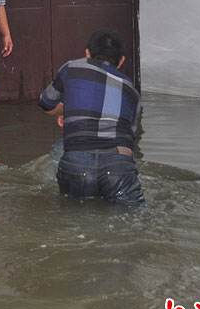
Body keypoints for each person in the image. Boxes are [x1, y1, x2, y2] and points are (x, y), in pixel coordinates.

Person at [38, 29, 145, 205]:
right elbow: (129, 136)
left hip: (77, 164)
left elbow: (45, 102)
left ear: (87, 53)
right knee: (131, 216)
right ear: (121, 61)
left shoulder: (72, 67)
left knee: (74, 215)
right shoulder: (132, 90)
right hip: (119, 167)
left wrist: (66, 111)